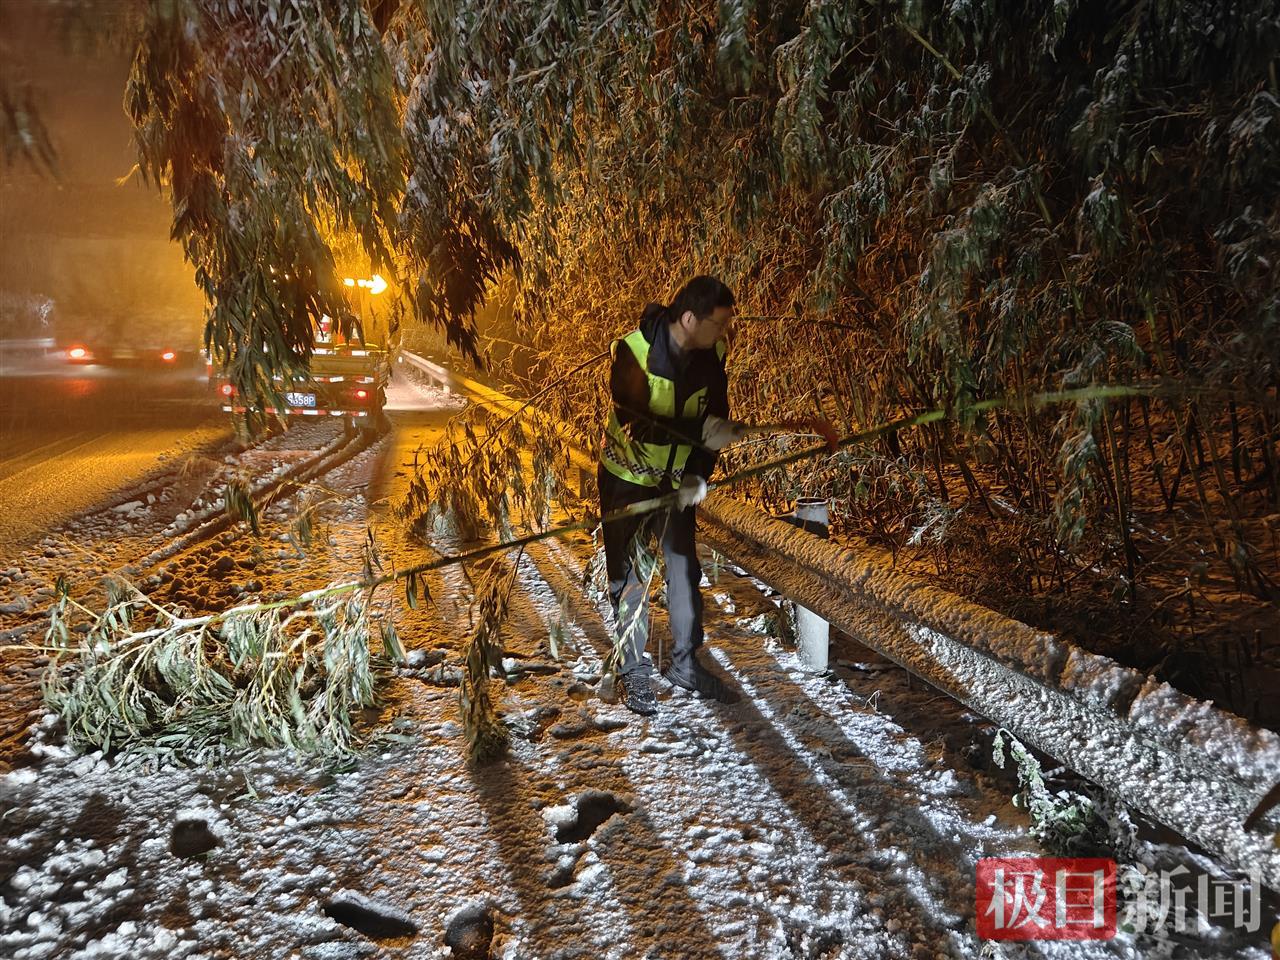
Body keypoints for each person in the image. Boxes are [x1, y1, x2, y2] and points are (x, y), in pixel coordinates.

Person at [597, 275, 749, 716]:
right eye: (717, 324)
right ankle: (633, 671)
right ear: (688, 319)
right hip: (626, 480)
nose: (723, 332)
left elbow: (716, 416)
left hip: (676, 480)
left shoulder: (712, 355)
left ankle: (685, 664)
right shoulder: (634, 351)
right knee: (629, 576)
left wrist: (699, 472)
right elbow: (639, 422)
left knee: (683, 570)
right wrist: (703, 430)